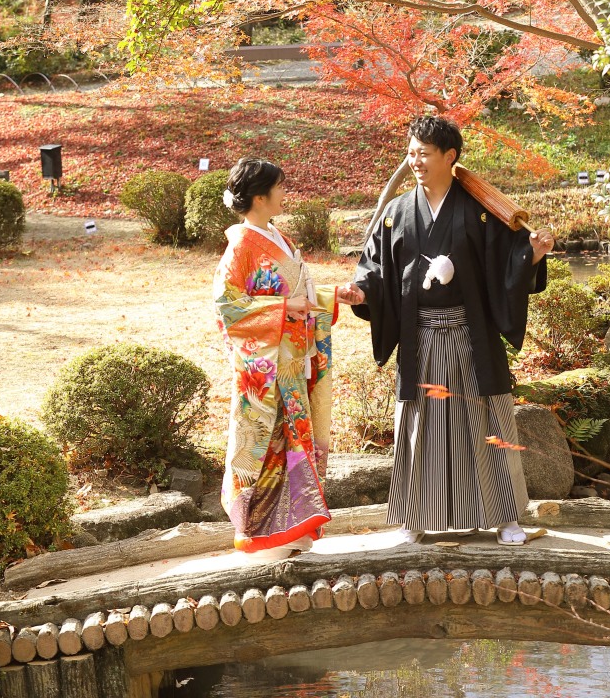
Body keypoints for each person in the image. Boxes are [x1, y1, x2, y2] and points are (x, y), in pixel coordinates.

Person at [339, 116, 554, 545]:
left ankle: (506, 518)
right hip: (420, 338)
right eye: (411, 152)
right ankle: (413, 519)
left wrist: (531, 255)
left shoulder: (480, 209)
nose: (414, 160)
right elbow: (377, 269)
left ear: (449, 157)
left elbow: (504, 264)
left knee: (486, 420)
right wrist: (362, 292)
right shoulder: (397, 212)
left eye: (424, 153)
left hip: (469, 336)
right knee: (420, 426)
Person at [214, 158, 350, 561]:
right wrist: (282, 308)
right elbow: (228, 307)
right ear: (260, 196)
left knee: (294, 445)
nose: (284, 193)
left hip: (291, 363)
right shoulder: (241, 246)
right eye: (280, 187)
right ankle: (262, 536)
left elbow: (299, 292)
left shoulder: (275, 235)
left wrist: (332, 296)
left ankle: (294, 529)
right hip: (268, 370)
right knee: (269, 450)